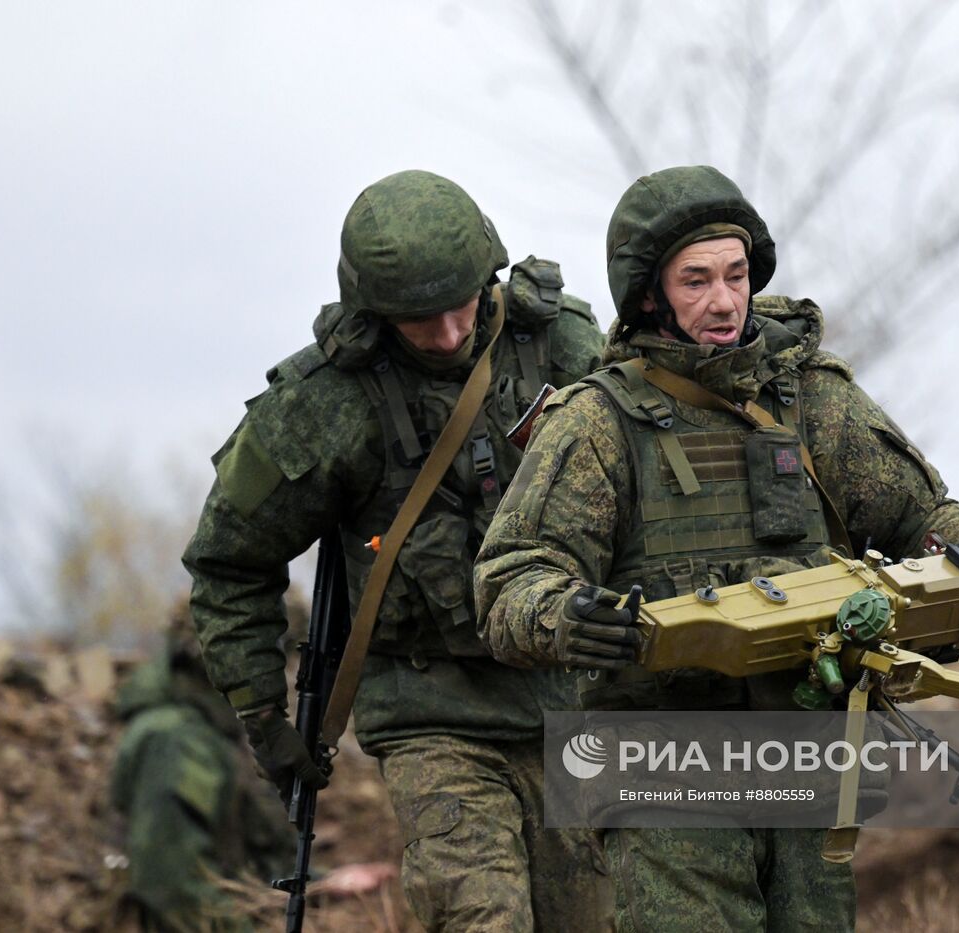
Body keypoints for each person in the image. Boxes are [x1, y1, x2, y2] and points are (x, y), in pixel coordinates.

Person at [473, 164, 959, 932]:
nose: (723, 300)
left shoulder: (807, 395)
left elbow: (925, 516)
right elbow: (512, 577)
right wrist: (571, 614)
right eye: (695, 281)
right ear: (650, 293)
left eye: (736, 274)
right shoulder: (598, 421)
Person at [182, 170, 612, 931]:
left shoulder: (563, 347)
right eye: (420, 320)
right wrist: (262, 713)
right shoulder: (323, 406)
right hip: (432, 713)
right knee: (487, 917)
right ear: (374, 312)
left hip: (572, 704)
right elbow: (229, 561)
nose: (448, 336)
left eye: (461, 307)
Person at [110, 609, 294, 933]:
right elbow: (172, 884)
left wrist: (325, 886)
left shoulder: (213, 731)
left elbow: (251, 866)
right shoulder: (175, 739)